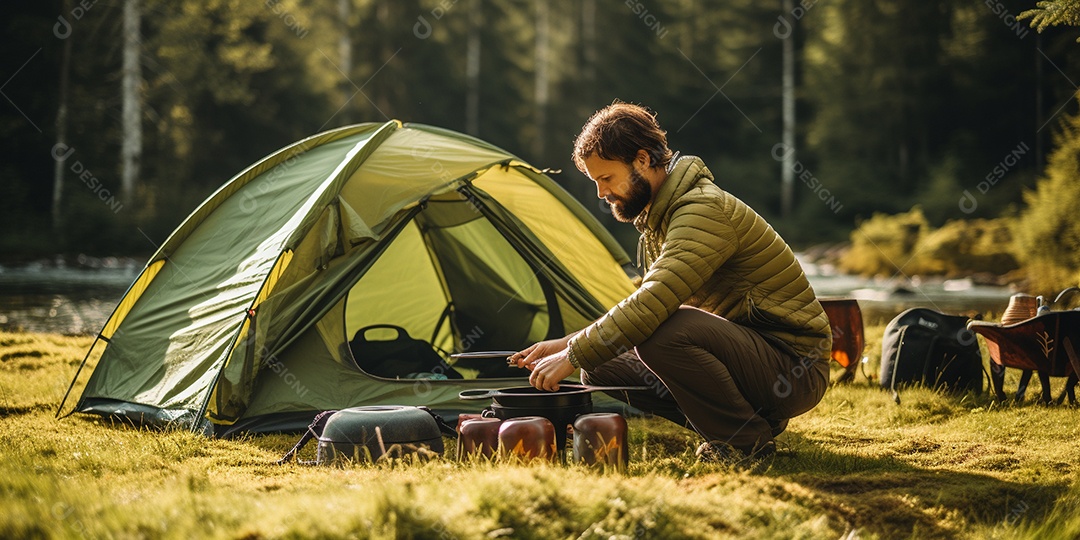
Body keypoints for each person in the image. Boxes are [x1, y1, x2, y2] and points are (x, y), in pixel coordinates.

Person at [509, 102, 832, 460]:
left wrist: (572, 353)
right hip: (752, 363)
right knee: (599, 364)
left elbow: (655, 301)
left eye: (606, 178)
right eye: (595, 181)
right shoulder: (659, 221)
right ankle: (743, 424)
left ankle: (745, 443)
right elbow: (641, 309)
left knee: (666, 331)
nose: (601, 193)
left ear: (642, 160)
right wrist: (567, 345)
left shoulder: (703, 210)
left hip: (794, 369)